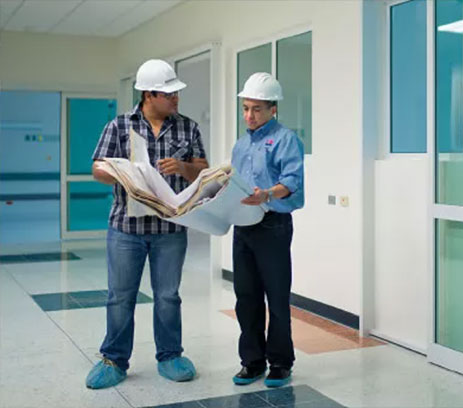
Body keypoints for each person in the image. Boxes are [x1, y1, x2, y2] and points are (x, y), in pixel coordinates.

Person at [86, 59, 209, 389]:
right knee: (120, 297)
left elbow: (202, 168)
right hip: (126, 229)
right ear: (149, 94)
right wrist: (125, 172)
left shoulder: (188, 127)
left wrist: (183, 168)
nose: (176, 99)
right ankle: (114, 359)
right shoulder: (118, 126)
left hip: (170, 229)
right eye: (169, 94)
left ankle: (170, 355)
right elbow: (98, 168)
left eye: (176, 94)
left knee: (168, 296)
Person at [231, 72, 304, 388]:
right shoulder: (241, 144)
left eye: (257, 109)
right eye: (246, 108)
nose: (249, 115)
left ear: (273, 109)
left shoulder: (286, 139)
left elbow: (293, 181)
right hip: (243, 227)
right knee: (245, 297)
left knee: (275, 296)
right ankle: (252, 361)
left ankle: (280, 363)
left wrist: (267, 194)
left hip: (272, 225)